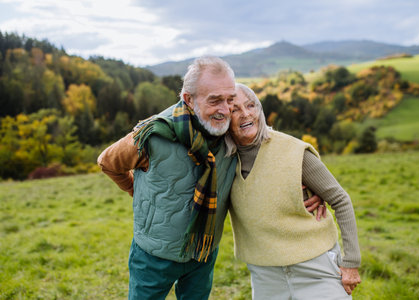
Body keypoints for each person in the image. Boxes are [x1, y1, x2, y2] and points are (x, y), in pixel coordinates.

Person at [98, 56, 324, 300]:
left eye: (229, 100)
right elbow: (108, 162)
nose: (225, 110)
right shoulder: (153, 134)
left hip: (202, 253)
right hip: (154, 256)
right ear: (189, 100)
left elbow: (269, 153)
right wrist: (135, 190)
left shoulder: (231, 132)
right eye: (215, 100)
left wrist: (312, 187)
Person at [225, 83, 361, 299]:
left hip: (316, 269)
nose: (245, 114)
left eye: (251, 105)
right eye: (234, 110)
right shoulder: (222, 160)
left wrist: (351, 263)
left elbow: (341, 200)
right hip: (265, 275)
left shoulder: (294, 152)